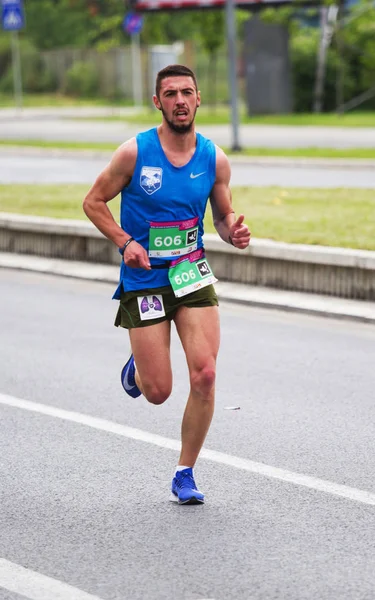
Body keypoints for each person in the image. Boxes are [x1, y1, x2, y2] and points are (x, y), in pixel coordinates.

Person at [83, 64, 251, 505]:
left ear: (199, 100)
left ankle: (185, 472)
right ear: (158, 102)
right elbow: (93, 201)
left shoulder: (214, 158)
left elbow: (221, 215)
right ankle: (137, 368)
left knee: (207, 373)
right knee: (158, 392)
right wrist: (125, 242)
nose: (180, 100)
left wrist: (232, 230)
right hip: (144, 279)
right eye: (171, 93)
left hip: (190, 272)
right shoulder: (134, 153)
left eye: (187, 92)